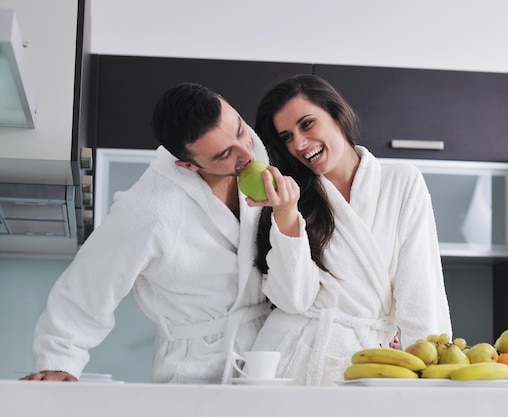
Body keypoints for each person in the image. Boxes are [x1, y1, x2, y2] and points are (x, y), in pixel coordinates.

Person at [20, 82, 271, 384]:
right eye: (225, 154)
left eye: (240, 129)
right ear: (187, 165)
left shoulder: (261, 157)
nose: (247, 152)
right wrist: (60, 359)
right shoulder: (150, 209)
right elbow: (91, 281)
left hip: (267, 357)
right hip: (196, 369)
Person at [246, 74, 452, 385]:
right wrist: (285, 212)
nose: (299, 144)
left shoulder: (401, 182)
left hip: (366, 363)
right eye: (287, 136)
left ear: (337, 115)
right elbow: (293, 300)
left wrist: (429, 372)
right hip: (287, 360)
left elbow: (419, 291)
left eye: (307, 124)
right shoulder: (289, 196)